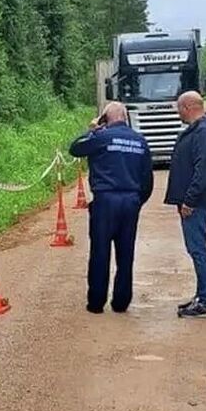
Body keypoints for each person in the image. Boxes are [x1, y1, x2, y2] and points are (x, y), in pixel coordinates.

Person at [69, 101, 154, 314]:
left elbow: (75, 149)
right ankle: (121, 302)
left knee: (100, 251)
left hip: (105, 200)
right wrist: (137, 201)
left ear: (105, 119)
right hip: (131, 201)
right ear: (125, 117)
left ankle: (97, 302)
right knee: (126, 253)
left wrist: (92, 130)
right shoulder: (140, 141)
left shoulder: (100, 137)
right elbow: (148, 180)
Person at [165, 91, 206, 318]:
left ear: (189, 107)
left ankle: (205, 300)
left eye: (180, 108)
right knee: (196, 248)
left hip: (197, 203)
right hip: (194, 201)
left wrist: (189, 199)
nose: (178, 112)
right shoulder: (202, 129)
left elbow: (202, 169)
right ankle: (201, 295)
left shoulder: (205, 131)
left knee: (198, 249)